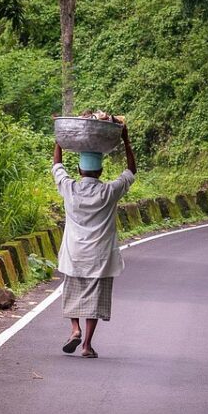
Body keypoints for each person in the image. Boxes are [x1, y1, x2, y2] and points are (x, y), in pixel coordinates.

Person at [52, 120, 136, 358]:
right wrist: (126, 140)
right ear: (100, 171)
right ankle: (87, 345)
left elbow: (57, 166)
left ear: (79, 170)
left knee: (72, 293)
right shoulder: (109, 192)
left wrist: (60, 138)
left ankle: (74, 329)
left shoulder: (69, 189)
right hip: (100, 257)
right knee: (95, 301)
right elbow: (131, 172)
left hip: (74, 253)